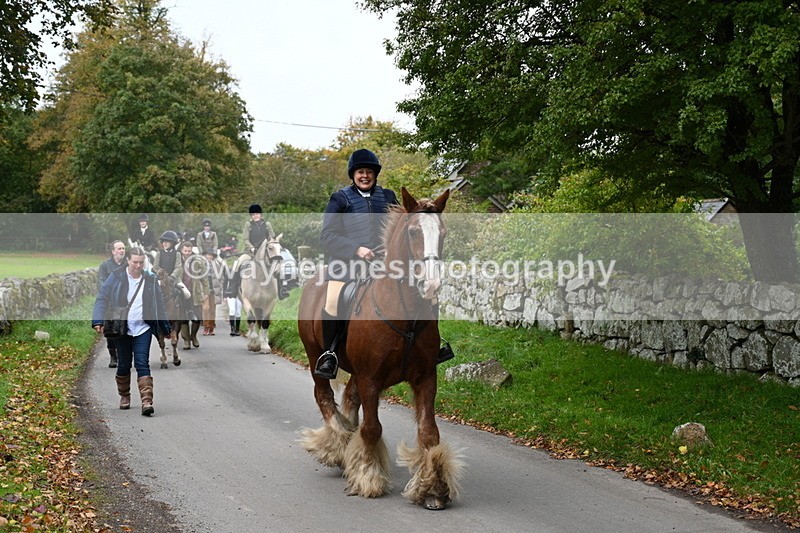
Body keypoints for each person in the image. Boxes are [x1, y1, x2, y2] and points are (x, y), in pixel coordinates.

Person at [315, 148, 399, 379]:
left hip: (382, 263)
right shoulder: (340, 199)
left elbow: (401, 229)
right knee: (333, 300)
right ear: (353, 174)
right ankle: (330, 354)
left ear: (375, 174)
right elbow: (327, 235)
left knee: (416, 289)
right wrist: (356, 249)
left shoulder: (389, 197)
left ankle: (430, 346)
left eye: (369, 172)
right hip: (346, 263)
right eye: (360, 172)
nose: (365, 176)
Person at [92, 247, 171, 416]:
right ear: (128, 260)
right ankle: (124, 396)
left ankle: (147, 401)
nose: (138, 265)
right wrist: (98, 320)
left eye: (141, 262)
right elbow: (102, 298)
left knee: (142, 362)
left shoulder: (150, 279)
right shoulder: (116, 276)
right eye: (135, 262)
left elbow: (159, 305)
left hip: (143, 327)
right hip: (122, 328)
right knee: (124, 364)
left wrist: (165, 327)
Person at [224, 204, 288, 300]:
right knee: (237, 263)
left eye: (257, 214)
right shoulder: (248, 225)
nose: (255, 216)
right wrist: (252, 248)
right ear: (251, 216)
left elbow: (272, 238)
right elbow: (245, 239)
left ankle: (282, 289)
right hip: (250, 253)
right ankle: (232, 289)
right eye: (253, 214)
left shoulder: (267, 225)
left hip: (266, 253)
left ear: (260, 214)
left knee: (278, 266)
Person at [97, 240, 127, 368]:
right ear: (113, 251)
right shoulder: (105, 266)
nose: (122, 251)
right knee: (110, 332)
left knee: (125, 330)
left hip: (125, 303)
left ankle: (123, 355)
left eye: (123, 248)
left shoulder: (128, 264)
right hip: (110, 303)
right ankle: (113, 356)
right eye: (119, 248)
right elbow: (102, 284)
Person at [179, 241, 209, 349]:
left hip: (194, 293)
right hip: (181, 293)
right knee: (183, 318)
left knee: (197, 317)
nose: (187, 253)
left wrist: (206, 292)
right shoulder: (177, 260)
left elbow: (204, 277)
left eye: (189, 251)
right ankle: (186, 340)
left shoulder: (197, 261)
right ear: (181, 250)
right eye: (185, 251)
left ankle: (193, 336)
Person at [202, 248, 224, 336]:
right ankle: (206, 327)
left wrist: (220, 287)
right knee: (205, 309)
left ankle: (211, 327)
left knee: (212, 309)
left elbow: (221, 278)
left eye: (211, 255)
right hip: (205, 290)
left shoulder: (217, 265)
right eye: (207, 255)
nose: (209, 257)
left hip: (214, 290)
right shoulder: (201, 264)